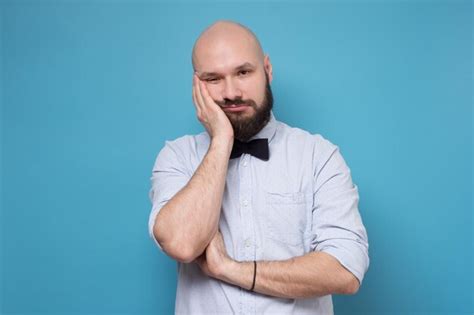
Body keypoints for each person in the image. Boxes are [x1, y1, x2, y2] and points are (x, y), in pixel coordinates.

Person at [148, 20, 369, 314]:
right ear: (196, 85)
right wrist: (222, 140)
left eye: (243, 72)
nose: (231, 92)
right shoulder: (177, 156)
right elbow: (182, 244)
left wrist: (231, 269)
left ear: (267, 70)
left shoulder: (319, 156)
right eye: (213, 79)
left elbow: (346, 269)